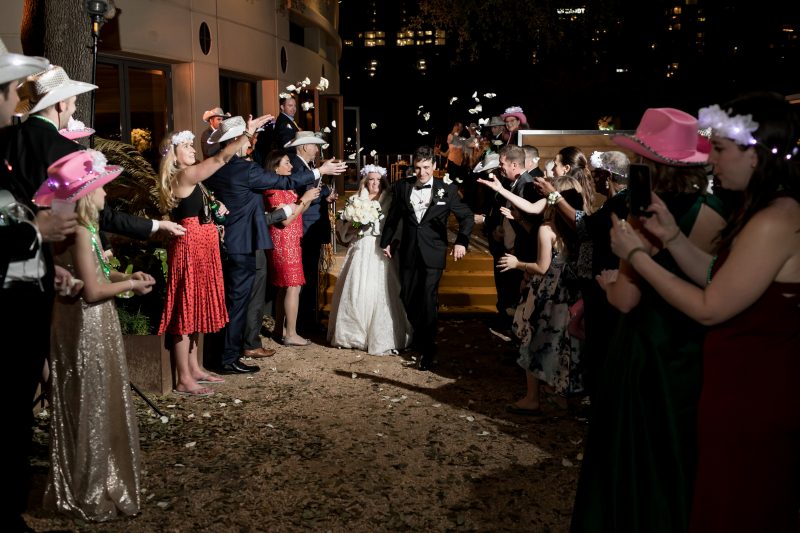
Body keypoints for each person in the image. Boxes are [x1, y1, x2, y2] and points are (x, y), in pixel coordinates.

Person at [608, 93, 799, 533]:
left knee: (740, 508)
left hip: (756, 394)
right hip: (736, 386)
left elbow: (710, 307)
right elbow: (721, 275)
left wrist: (637, 255)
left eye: (720, 150)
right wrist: (673, 237)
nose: (710, 162)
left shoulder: (775, 219)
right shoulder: (765, 211)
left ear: (755, 155)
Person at [570, 108, 727, 533]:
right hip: (695, 345)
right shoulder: (716, 210)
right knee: (681, 450)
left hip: (647, 350)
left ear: (649, 165)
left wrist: (607, 282)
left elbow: (627, 298)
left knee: (638, 455)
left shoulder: (645, 215)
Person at [36, 150, 155, 521]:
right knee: (93, 399)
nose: (107, 195)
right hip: (87, 325)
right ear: (88, 194)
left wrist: (128, 279)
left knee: (88, 397)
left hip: (79, 321)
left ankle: (88, 480)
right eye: (103, 188)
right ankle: (90, 488)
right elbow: (92, 291)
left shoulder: (73, 231)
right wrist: (126, 289)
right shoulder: (83, 233)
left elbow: (98, 275)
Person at [0, 39, 82, 533]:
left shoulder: (7, 145)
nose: (15, 102)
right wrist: (37, 234)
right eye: (9, 91)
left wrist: (45, 266)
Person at [205, 121, 345, 365]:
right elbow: (285, 183)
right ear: (237, 142)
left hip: (228, 240)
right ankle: (230, 356)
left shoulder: (215, 167)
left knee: (236, 300)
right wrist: (319, 172)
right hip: (246, 242)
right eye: (248, 139)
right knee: (242, 301)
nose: (251, 143)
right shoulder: (243, 169)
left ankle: (234, 351)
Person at [157, 114, 274, 388]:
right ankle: (184, 378)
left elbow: (202, 207)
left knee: (197, 307)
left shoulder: (194, 179)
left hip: (203, 245)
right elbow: (221, 158)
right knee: (186, 312)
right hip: (190, 247)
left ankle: (195, 368)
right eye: (185, 146)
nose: (191, 150)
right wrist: (246, 132)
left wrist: (215, 211)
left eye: (190, 146)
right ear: (173, 155)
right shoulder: (183, 175)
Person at [380, 145, 474, 371]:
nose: (421, 173)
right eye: (417, 168)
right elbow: (394, 217)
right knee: (408, 297)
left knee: (428, 298)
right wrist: (387, 242)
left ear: (434, 166)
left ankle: (428, 348)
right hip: (409, 250)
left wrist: (461, 241)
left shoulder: (447, 190)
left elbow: (466, 216)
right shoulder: (402, 187)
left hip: (434, 252)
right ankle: (422, 336)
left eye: (425, 168)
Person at [328, 165, 412, 355]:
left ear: (383, 182)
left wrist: (392, 243)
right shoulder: (356, 200)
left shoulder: (390, 200)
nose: (375, 183)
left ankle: (382, 334)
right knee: (358, 288)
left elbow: (397, 225)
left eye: (378, 180)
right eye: (371, 180)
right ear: (365, 181)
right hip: (361, 246)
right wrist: (357, 223)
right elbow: (347, 226)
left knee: (381, 289)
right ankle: (354, 334)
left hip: (382, 248)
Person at [260, 148, 319, 347]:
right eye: (286, 162)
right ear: (275, 168)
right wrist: (304, 199)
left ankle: (279, 329)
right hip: (283, 242)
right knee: (293, 286)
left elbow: (298, 210)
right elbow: (284, 221)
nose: (291, 166)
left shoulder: (287, 188)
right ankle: (291, 334)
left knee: (285, 287)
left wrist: (310, 197)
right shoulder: (273, 190)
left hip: (292, 240)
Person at [288, 131, 339, 336]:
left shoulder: (307, 166)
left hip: (312, 227)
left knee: (311, 276)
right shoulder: (296, 165)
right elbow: (300, 187)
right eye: (314, 145)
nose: (317, 149)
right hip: (305, 228)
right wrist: (321, 171)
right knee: (306, 276)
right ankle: (304, 324)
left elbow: (313, 189)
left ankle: (310, 319)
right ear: (303, 147)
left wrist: (325, 194)